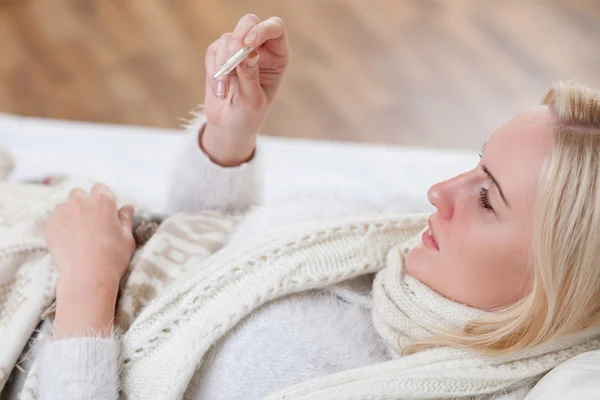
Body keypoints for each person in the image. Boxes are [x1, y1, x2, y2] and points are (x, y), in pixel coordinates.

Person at [35, 14, 600, 400]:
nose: (439, 192)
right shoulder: (397, 238)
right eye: (477, 162)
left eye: (485, 197)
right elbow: (210, 243)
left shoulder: (389, 380)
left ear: (558, 276)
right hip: (63, 230)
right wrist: (230, 136)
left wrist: (87, 281)